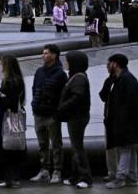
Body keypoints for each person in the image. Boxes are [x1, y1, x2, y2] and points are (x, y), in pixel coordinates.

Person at [99, 53, 138, 189]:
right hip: (119, 122)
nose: (107, 66)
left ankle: (120, 178)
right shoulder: (115, 79)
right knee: (129, 149)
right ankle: (132, 177)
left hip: (125, 123)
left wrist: (122, 122)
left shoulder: (128, 79)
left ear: (115, 64)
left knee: (124, 149)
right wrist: (109, 80)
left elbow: (131, 103)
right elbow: (103, 96)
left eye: (109, 63)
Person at [30, 44, 68, 184]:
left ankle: (57, 171)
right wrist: (34, 105)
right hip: (38, 113)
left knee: (56, 144)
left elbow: (64, 94)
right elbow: (34, 89)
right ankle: (44, 170)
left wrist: (58, 111)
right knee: (42, 144)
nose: (43, 55)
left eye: (46, 53)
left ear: (54, 55)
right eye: (43, 53)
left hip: (52, 114)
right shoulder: (39, 71)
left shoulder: (61, 74)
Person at [0, 55, 26, 188]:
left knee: (5, 146)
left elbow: (8, 102)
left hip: (6, 118)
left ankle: (10, 178)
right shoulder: (18, 80)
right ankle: (13, 177)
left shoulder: (9, 81)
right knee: (13, 147)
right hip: (15, 117)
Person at [56, 50, 91, 189]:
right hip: (75, 116)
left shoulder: (79, 78)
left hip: (77, 117)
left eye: (68, 60)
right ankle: (75, 176)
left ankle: (85, 177)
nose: (66, 63)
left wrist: (62, 107)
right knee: (75, 146)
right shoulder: (76, 76)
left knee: (77, 147)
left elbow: (77, 97)